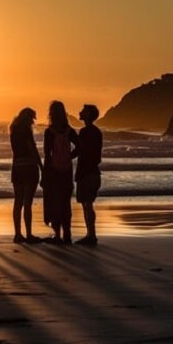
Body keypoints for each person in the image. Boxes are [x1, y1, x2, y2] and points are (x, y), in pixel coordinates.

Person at [41, 100, 79, 244]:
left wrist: (45, 172)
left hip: (53, 171)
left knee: (54, 201)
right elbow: (79, 146)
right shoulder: (69, 130)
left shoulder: (49, 132)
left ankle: (57, 234)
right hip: (67, 170)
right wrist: (70, 156)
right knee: (65, 202)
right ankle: (67, 234)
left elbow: (47, 154)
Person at [10, 107, 43, 244]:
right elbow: (32, 148)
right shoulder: (26, 131)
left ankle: (17, 234)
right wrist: (41, 166)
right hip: (29, 167)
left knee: (18, 202)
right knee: (27, 202)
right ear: (27, 118)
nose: (32, 122)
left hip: (17, 167)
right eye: (31, 119)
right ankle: (28, 234)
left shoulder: (13, 130)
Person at [75, 104, 103, 246]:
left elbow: (80, 152)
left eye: (83, 111)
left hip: (86, 173)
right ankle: (91, 234)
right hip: (94, 172)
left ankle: (91, 234)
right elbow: (96, 156)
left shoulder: (85, 132)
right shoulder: (97, 132)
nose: (80, 112)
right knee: (88, 204)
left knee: (87, 205)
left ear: (88, 115)